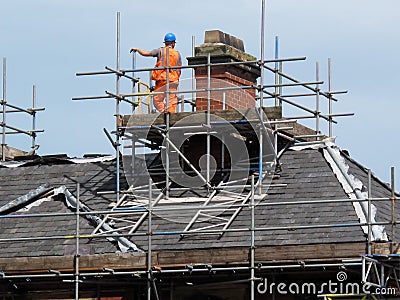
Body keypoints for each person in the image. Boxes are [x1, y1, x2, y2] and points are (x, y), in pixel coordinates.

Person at [130, 32, 182, 113]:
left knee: (157, 100)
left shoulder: (160, 51)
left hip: (162, 79)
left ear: (165, 42)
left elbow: (146, 53)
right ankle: (171, 115)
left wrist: (137, 49)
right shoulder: (177, 54)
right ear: (173, 43)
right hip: (173, 80)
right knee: (171, 101)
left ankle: (165, 113)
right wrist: (176, 79)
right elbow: (179, 69)